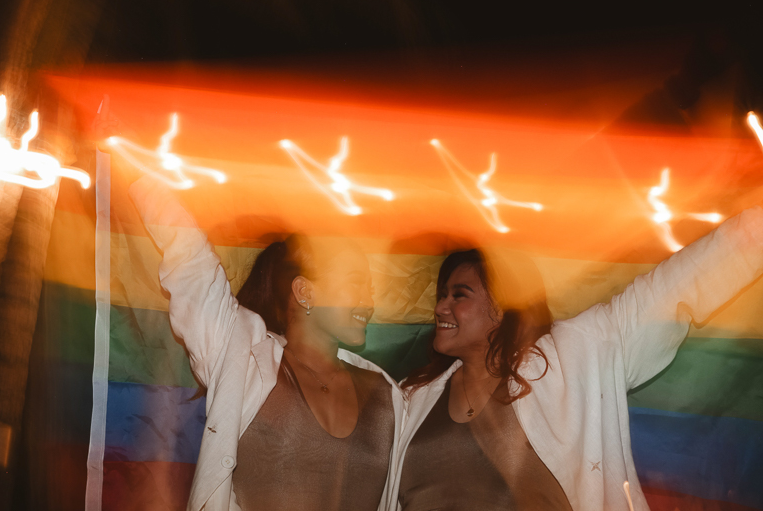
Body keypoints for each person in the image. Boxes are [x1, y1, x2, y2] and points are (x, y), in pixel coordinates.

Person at [389, 207, 763, 511]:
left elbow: (675, 286)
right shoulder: (409, 400)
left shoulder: (570, 361)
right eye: (442, 295)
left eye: (459, 295)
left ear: (502, 306)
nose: (441, 307)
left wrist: (754, 228)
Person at [128, 174, 404, 511]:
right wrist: (139, 172)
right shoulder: (242, 357)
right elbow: (192, 263)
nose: (369, 302)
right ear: (305, 292)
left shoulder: (387, 394)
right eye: (356, 283)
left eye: (371, 289)